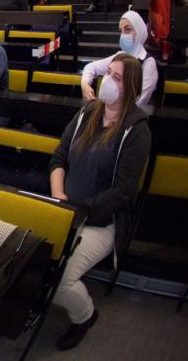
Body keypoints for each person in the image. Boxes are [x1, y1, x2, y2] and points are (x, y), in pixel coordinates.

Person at [48, 54, 150, 351]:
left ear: (130, 87)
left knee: (60, 279)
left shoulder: (137, 130)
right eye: (108, 74)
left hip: (100, 222)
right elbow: (59, 157)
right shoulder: (87, 113)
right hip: (64, 207)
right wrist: (58, 196)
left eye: (118, 78)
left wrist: (79, 212)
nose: (108, 81)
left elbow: (122, 191)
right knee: (34, 256)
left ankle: (85, 316)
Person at [80, 11, 158, 106]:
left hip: (131, 117)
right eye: (121, 31)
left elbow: (141, 101)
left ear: (139, 31)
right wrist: (85, 84)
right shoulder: (119, 56)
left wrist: (111, 111)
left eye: (127, 30)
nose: (123, 35)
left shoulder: (148, 62)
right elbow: (91, 67)